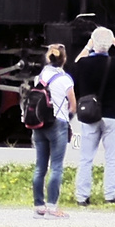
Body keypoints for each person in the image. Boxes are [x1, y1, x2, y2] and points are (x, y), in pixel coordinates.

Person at [67, 25, 115, 205]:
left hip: (89, 116)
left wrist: (89, 45)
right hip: (111, 116)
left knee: (86, 158)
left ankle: (82, 197)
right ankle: (110, 195)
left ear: (94, 43)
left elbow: (76, 63)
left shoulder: (84, 64)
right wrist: (113, 40)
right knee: (111, 158)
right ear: (109, 45)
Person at [30, 43, 75, 217]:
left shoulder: (39, 77)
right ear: (64, 60)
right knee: (56, 167)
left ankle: (38, 207)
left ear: (48, 58)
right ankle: (52, 208)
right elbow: (73, 105)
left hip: (39, 125)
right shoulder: (65, 79)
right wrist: (68, 117)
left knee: (40, 167)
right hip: (58, 124)